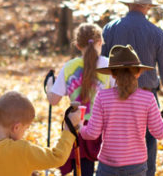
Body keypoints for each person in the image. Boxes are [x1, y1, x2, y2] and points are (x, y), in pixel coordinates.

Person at [101, 0, 163, 176]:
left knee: (113, 146)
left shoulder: (110, 30)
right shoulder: (157, 34)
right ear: (146, 7)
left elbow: (102, 64)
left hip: (114, 97)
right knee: (146, 152)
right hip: (146, 99)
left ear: (129, 5)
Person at [79, 44, 163, 176]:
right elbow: (159, 133)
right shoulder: (148, 98)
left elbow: (91, 133)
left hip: (108, 165)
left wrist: (79, 125)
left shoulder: (102, 97)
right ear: (138, 73)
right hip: (136, 166)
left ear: (113, 74)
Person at [0, 90, 81, 176]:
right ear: (17, 127)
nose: (25, 133)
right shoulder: (22, 150)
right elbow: (57, 157)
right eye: (26, 129)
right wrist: (68, 130)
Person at [46, 23, 113, 176]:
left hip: (79, 126)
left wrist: (50, 85)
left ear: (77, 45)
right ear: (100, 42)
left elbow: (53, 99)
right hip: (105, 127)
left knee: (82, 171)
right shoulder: (109, 65)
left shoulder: (69, 67)